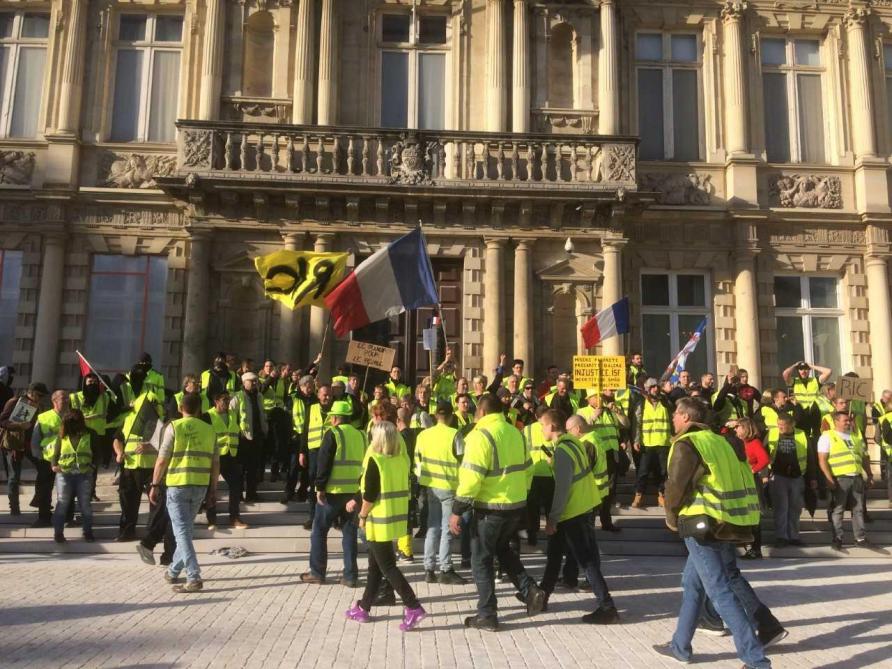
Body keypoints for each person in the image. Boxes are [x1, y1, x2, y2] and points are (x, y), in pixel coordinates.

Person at [653, 397, 771, 669]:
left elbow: (676, 488)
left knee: (719, 590)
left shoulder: (687, 443)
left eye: (675, 414)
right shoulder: (721, 441)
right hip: (725, 520)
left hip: (701, 524)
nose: (672, 418)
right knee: (692, 584)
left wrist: (671, 518)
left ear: (685, 417)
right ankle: (680, 646)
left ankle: (756, 661)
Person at [449, 394, 546, 631]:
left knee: (481, 559)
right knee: (502, 550)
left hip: (490, 508)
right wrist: (520, 494)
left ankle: (487, 614)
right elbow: (528, 469)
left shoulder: (480, 435)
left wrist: (457, 510)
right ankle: (530, 590)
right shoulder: (515, 433)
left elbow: (471, 477)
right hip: (515, 505)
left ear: (481, 412)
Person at [345, 421, 426, 630]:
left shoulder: (375, 460)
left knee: (388, 567)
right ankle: (364, 607)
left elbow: (370, 495)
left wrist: (362, 516)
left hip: (377, 521)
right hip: (393, 519)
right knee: (375, 567)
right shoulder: (401, 460)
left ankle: (413, 606)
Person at [538, 410, 619, 623]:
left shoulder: (563, 451)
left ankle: (607, 607)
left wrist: (553, 518)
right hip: (583, 506)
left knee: (587, 561)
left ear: (551, 427)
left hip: (573, 511)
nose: (541, 430)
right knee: (555, 555)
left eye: (542, 426)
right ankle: (541, 597)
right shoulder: (574, 443)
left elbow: (562, 489)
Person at [149, 393, 220, 593]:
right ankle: (173, 571)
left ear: (180, 408)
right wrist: (213, 489)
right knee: (185, 532)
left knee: (181, 532)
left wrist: (155, 484)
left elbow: (162, 459)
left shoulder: (174, 427)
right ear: (199, 409)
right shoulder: (210, 430)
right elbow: (216, 463)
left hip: (178, 485)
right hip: (200, 485)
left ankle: (193, 576)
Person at [301, 400, 365, 586]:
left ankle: (317, 572)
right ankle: (350, 576)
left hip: (332, 493)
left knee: (319, 531)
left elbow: (323, 463)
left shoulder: (333, 433)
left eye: (331, 418)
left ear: (336, 418)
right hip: (353, 493)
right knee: (349, 533)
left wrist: (319, 488)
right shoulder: (362, 436)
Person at [415, 401, 465, 584]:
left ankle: (428, 569)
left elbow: (417, 461)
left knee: (432, 527)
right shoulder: (455, 434)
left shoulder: (423, 435)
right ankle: (445, 569)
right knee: (446, 529)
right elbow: (463, 461)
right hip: (449, 486)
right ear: (451, 417)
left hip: (430, 486)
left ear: (436, 415)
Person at [113, 388, 164, 541]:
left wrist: (150, 446)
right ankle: (127, 532)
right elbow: (117, 439)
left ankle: (153, 534)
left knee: (156, 501)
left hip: (152, 468)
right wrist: (119, 453)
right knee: (128, 502)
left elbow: (166, 444)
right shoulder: (128, 420)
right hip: (130, 467)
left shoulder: (160, 423)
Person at [818, 411, 874, 550]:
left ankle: (860, 538)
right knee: (838, 509)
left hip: (856, 477)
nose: (848, 423)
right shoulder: (827, 436)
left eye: (849, 420)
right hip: (839, 478)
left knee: (858, 509)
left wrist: (869, 474)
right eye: (845, 421)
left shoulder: (855, 437)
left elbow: (864, 457)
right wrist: (828, 478)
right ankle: (837, 538)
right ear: (836, 422)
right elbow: (822, 459)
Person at [0, 382, 48, 519]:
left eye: (43, 396)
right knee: (14, 476)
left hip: (31, 444)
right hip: (14, 444)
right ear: (31, 392)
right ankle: (14, 507)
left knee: (44, 468)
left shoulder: (40, 406)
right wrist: (19, 425)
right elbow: (2, 421)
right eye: (39, 395)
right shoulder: (14, 401)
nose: (41, 398)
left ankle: (38, 499)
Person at [765, 414, 811, 550]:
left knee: (795, 508)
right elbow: (764, 453)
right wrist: (764, 474)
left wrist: (813, 477)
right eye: (778, 424)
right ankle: (781, 537)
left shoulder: (802, 435)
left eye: (783, 425)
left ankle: (794, 536)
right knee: (781, 508)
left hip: (797, 476)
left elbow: (810, 456)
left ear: (792, 425)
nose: (780, 428)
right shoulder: (772, 434)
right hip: (778, 476)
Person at [50, 409, 95, 543]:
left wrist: (93, 466)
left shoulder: (90, 434)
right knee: (62, 503)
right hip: (64, 474)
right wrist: (54, 465)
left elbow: (98, 452)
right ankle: (58, 533)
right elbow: (55, 453)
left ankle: (88, 532)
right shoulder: (62, 435)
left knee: (85, 504)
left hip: (84, 473)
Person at [206, 391, 248, 530]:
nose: (227, 402)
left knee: (236, 486)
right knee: (211, 487)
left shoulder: (233, 414)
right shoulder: (208, 415)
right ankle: (211, 519)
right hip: (214, 457)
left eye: (229, 399)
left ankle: (234, 517)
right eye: (224, 400)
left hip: (231, 455)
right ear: (216, 401)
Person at [732, 418, 771, 559]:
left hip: (752, 483)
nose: (735, 429)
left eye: (738, 427)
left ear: (746, 428)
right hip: (740, 482)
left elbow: (764, 459)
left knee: (754, 515)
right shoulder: (738, 443)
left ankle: (755, 548)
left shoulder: (754, 443)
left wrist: (752, 471)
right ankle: (748, 545)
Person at [70, 372, 111, 501]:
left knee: (93, 466)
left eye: (95, 382)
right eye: (89, 382)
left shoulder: (105, 397)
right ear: (84, 383)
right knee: (78, 465)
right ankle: (76, 492)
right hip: (80, 435)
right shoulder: (74, 397)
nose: (92, 384)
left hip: (98, 436)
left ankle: (91, 492)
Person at [32, 390, 70, 526]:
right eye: (63, 398)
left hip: (67, 459)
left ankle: (66, 518)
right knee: (44, 489)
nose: (67, 401)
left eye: (67, 398)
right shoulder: (43, 417)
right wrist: (39, 457)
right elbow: (36, 439)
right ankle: (44, 517)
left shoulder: (73, 416)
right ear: (54, 401)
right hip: (47, 460)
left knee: (67, 490)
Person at [632, 378, 672, 508]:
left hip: (663, 442)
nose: (656, 389)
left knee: (662, 472)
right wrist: (636, 440)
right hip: (647, 443)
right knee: (643, 472)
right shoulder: (641, 403)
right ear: (647, 389)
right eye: (653, 387)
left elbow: (672, 418)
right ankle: (638, 495)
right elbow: (637, 423)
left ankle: (661, 495)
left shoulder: (664, 402)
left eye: (657, 387)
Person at [230, 372, 267, 504]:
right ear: (244, 382)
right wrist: (237, 433)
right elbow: (232, 417)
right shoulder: (237, 397)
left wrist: (264, 430)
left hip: (257, 436)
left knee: (253, 468)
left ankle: (251, 493)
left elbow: (262, 414)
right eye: (252, 381)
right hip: (243, 438)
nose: (255, 383)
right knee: (240, 469)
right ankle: (239, 494)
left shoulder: (259, 396)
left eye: (256, 381)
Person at [301, 384, 333, 529]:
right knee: (313, 483)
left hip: (331, 451)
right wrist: (302, 452)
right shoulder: (312, 408)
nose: (327, 397)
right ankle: (312, 517)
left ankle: (332, 517)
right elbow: (305, 430)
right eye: (324, 394)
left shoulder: (336, 410)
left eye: (329, 395)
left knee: (330, 483)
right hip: (314, 451)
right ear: (318, 395)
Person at [782, 361, 832, 439]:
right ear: (798, 370)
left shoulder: (815, 380)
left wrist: (811, 366)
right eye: (801, 369)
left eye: (806, 369)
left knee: (816, 435)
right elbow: (785, 374)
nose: (804, 371)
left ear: (809, 370)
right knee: (802, 435)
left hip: (814, 412)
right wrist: (795, 365)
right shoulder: (794, 381)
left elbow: (828, 371)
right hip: (801, 413)